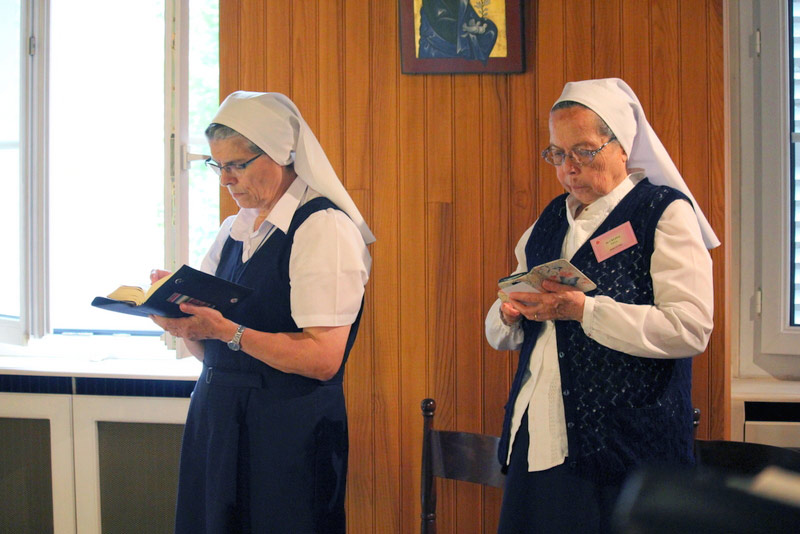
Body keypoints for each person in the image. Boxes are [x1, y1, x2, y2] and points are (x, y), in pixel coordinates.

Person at [484, 78, 717, 534]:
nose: (568, 168)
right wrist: (510, 312)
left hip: (625, 450)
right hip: (539, 436)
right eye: (557, 154)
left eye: (583, 151)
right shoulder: (549, 220)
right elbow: (500, 324)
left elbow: (690, 328)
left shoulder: (662, 213)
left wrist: (584, 311)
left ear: (621, 147)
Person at [150, 91, 375, 534]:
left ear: (281, 153)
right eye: (217, 165)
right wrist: (181, 318)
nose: (225, 180)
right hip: (218, 419)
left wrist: (226, 330)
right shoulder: (233, 230)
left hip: (287, 432)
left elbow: (323, 358)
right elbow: (214, 353)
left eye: (237, 164)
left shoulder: (322, 227)